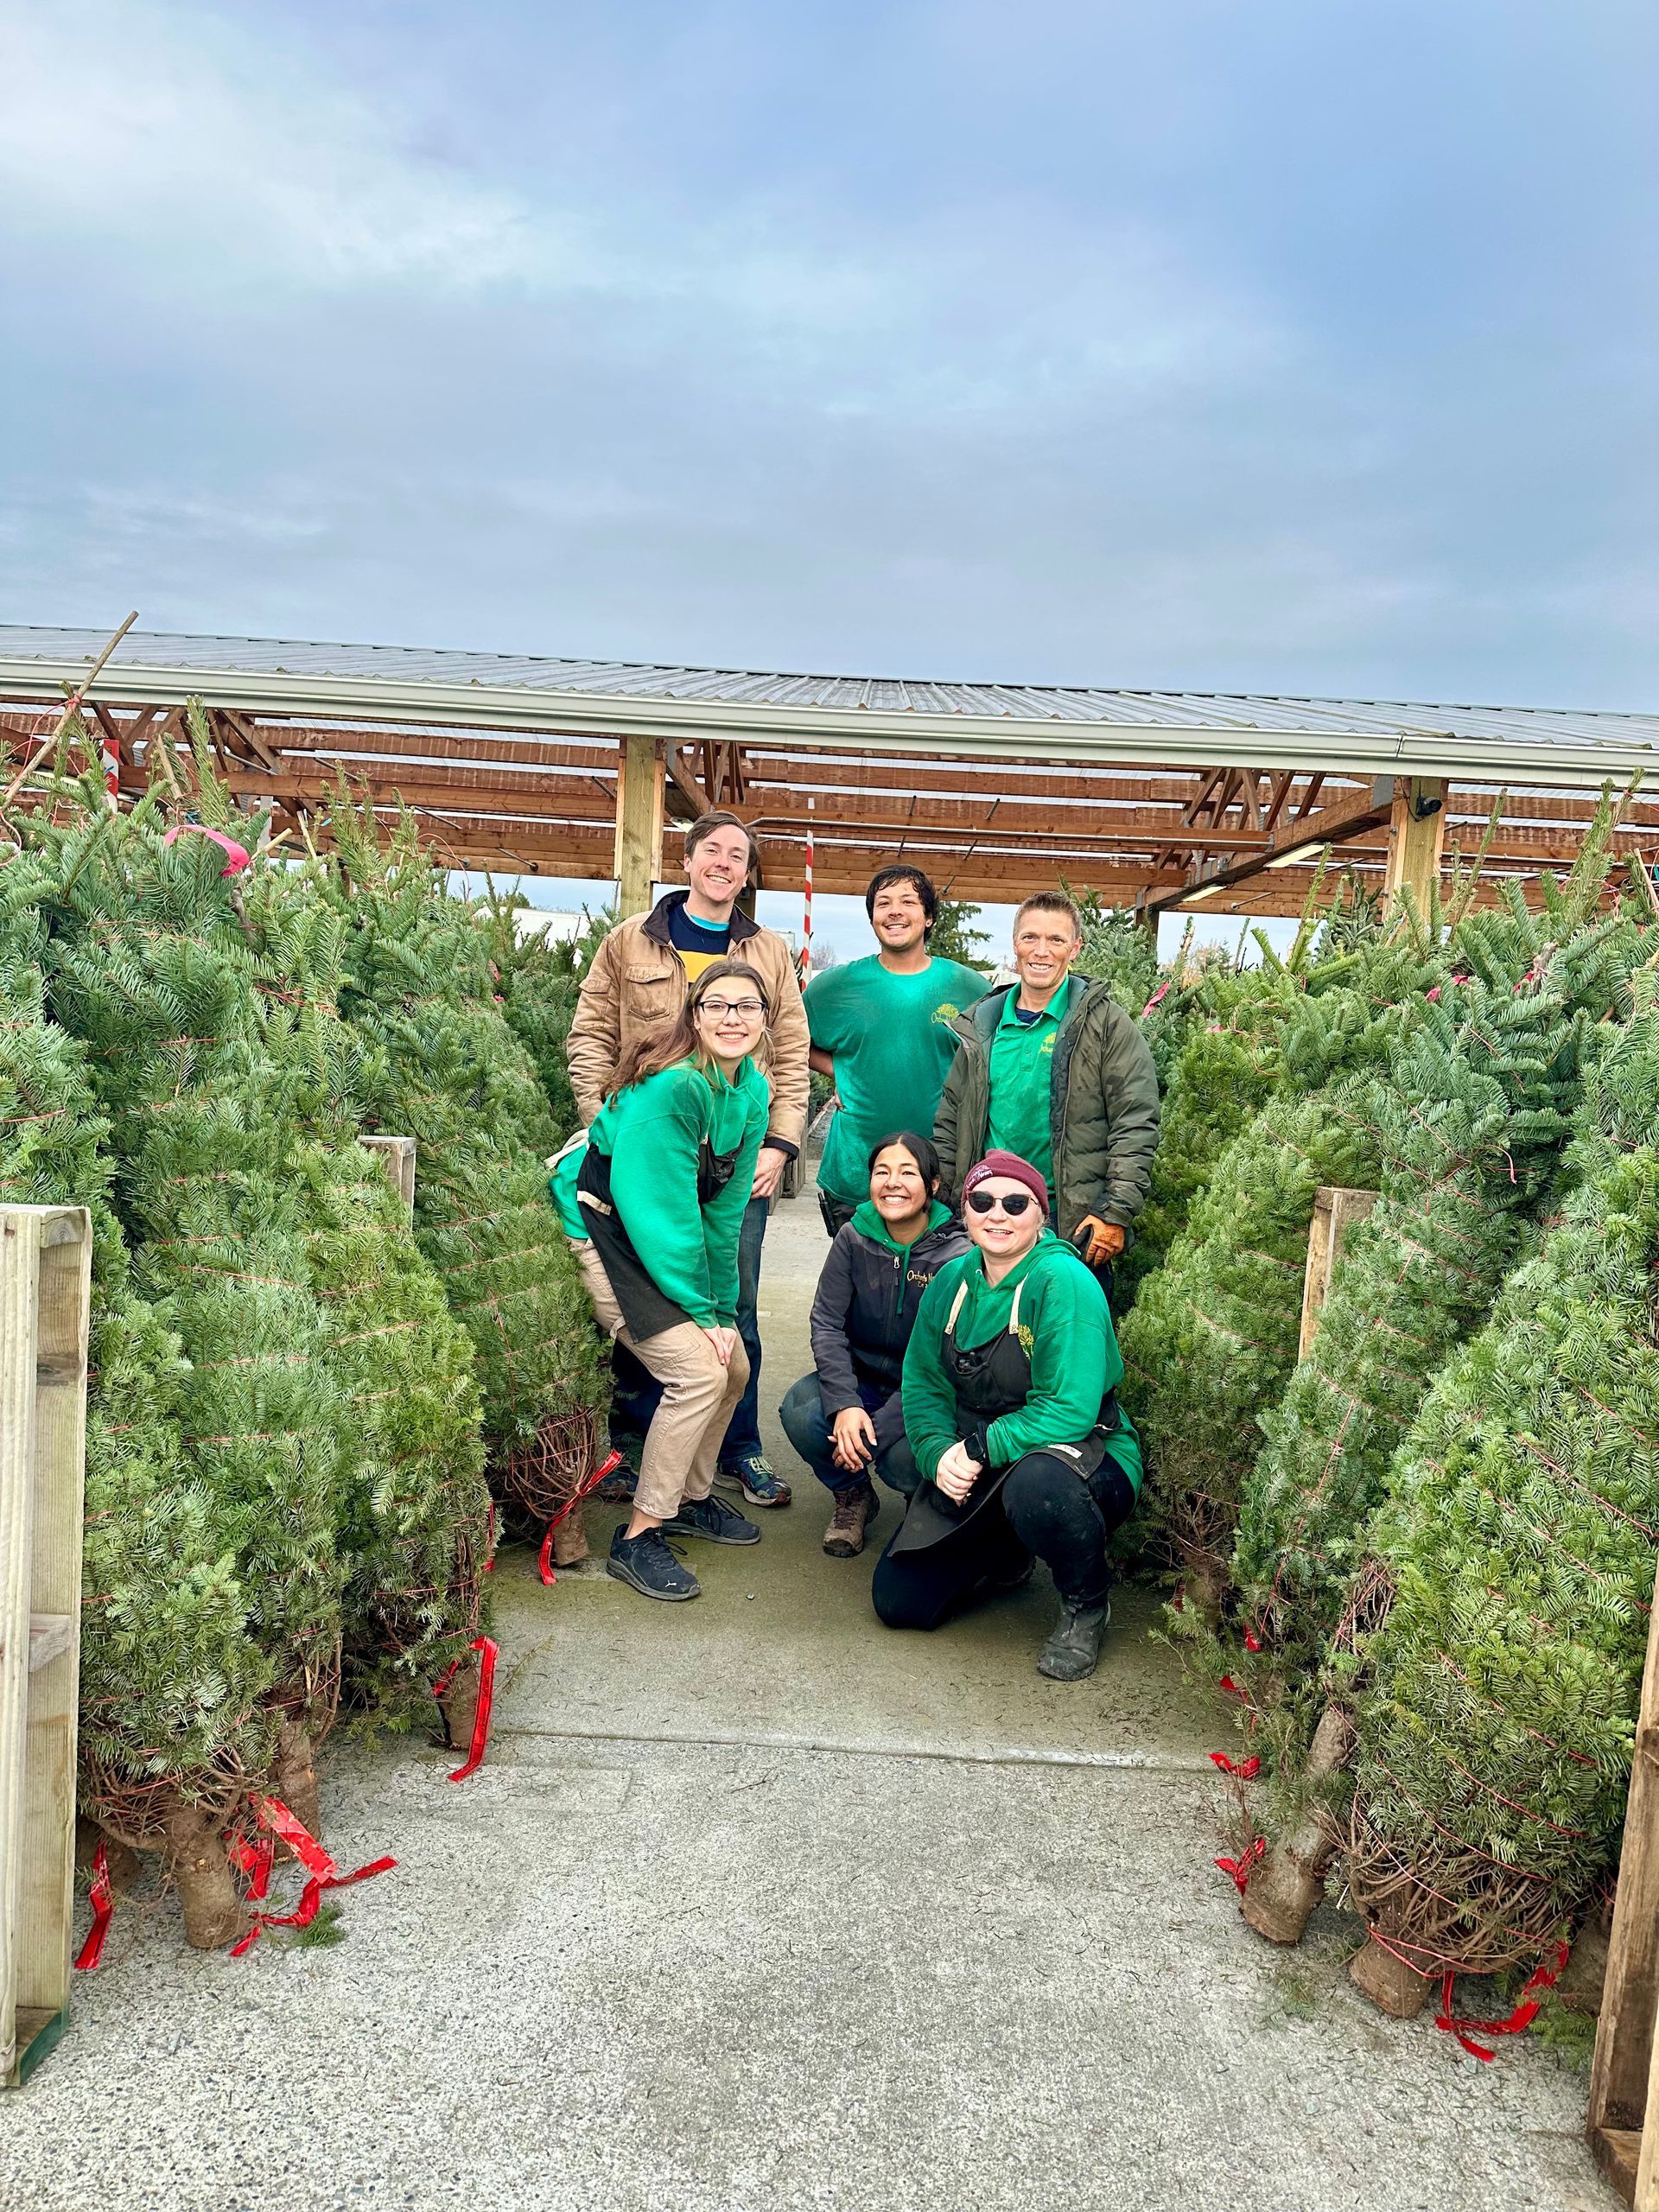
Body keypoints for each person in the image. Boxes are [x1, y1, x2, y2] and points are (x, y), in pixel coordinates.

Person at [566, 810, 810, 1507]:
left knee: (735, 1304)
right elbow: (589, 1036)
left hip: (736, 1160)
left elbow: (791, 1055)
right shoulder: (629, 943)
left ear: (747, 871)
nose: (724, 863)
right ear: (689, 859)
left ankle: (741, 1449)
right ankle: (640, 1447)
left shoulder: (770, 951)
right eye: (713, 850)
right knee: (648, 1308)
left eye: (738, 855)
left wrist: (780, 1144)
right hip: (648, 1161)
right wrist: (605, 1124)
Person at [873, 1150, 1142, 1681]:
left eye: (1015, 1202)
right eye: (983, 1200)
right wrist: (938, 1454)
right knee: (899, 1602)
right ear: (965, 1213)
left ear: (1040, 1214)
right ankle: (1004, 1550)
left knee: (1037, 1487)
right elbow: (923, 1383)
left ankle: (1085, 1604)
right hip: (984, 1449)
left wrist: (976, 1449)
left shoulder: (1063, 1281)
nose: (998, 1214)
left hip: (1080, 1452)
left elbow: (1069, 1410)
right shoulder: (951, 1280)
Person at [551, 961, 773, 1601]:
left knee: (731, 1368)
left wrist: (724, 1313)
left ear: (765, 1021)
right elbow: (661, 1215)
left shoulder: (751, 1091)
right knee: (697, 1370)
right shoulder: (673, 1089)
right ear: (695, 1016)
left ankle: (691, 1499)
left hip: (657, 1230)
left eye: (747, 1007)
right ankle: (639, 1534)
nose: (733, 1018)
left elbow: (722, 1214)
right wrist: (700, 1315)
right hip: (607, 1228)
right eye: (719, 1006)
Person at [934, 891, 1160, 1274]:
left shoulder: (1104, 1024)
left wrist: (1116, 1211)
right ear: (1015, 945)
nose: (1042, 951)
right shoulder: (983, 1026)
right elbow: (950, 1120)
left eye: (1056, 940)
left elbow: (1135, 1120)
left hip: (1071, 1222)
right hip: (989, 1211)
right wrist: (946, 1204)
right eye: (1030, 938)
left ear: (1075, 948)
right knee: (986, 1328)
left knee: (1064, 1328)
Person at [779, 1131, 969, 1558]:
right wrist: (845, 1405)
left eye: (907, 1172)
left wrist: (872, 1434)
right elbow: (827, 1322)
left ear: (932, 1186)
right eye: (882, 1172)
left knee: (902, 1459)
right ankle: (854, 1495)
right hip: (862, 1379)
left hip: (924, 1393)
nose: (892, 1183)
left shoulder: (956, 1256)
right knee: (801, 1410)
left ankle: (920, 1506)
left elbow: (942, 1362)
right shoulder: (853, 1236)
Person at [805, 865, 988, 1236]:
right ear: (872, 918)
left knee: (933, 1285)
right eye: (883, 903)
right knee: (859, 1285)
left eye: (908, 902)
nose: (895, 911)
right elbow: (787, 1039)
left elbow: (998, 1055)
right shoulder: (838, 987)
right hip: (856, 1168)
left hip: (940, 1168)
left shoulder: (967, 986)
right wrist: (837, 1070)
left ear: (929, 917)